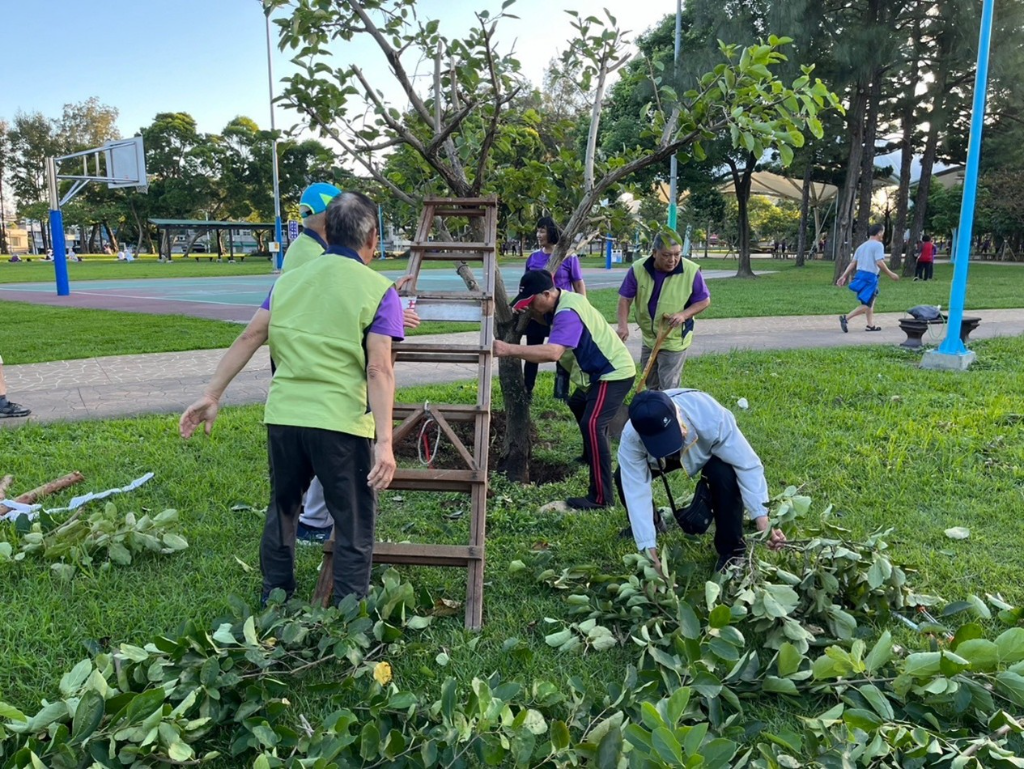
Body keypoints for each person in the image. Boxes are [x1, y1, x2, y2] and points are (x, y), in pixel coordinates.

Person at [180, 192, 403, 605]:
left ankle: (275, 596)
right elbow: (379, 369)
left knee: (283, 508)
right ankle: (348, 616)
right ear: (372, 238)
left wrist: (212, 394)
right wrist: (385, 443)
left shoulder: (289, 281)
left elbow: (251, 336)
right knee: (353, 521)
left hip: (284, 418)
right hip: (340, 423)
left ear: (327, 231)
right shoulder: (379, 290)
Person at [494, 270, 635, 510]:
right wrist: (528, 312)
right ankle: (591, 452)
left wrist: (508, 349)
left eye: (532, 303)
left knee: (592, 424)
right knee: (578, 403)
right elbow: (546, 320)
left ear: (547, 294)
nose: (530, 308)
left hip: (613, 373)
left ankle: (601, 498)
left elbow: (553, 352)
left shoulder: (567, 313)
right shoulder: (566, 299)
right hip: (596, 375)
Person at [616, 389, 786, 576]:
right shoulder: (631, 437)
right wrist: (652, 558)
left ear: (677, 413)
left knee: (724, 473)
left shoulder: (709, 413)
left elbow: (746, 464)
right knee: (622, 476)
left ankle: (732, 551)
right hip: (656, 460)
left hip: (707, 450)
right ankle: (655, 525)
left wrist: (763, 520)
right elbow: (636, 493)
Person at [616, 234, 710, 391]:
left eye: (677, 254)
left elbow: (704, 301)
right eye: (666, 255)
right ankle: (654, 410)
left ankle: (670, 412)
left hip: (673, 338)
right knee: (650, 381)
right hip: (649, 338)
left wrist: (683, 315)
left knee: (668, 385)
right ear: (654, 253)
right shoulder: (638, 268)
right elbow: (625, 299)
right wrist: (622, 326)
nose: (672, 260)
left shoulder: (691, 271)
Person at [522, 217, 586, 398]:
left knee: (562, 355)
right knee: (532, 352)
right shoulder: (533, 257)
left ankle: (560, 394)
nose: (538, 234)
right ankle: (527, 391)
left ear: (551, 232)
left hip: (561, 313)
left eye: (542, 230)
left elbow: (578, 284)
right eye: (538, 230)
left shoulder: (568, 257)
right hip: (537, 313)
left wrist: (582, 308)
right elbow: (527, 284)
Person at [836, 223, 900, 332]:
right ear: (879, 233)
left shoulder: (861, 246)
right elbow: (879, 262)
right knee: (867, 304)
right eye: (883, 232)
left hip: (860, 276)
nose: (883, 235)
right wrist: (891, 274)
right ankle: (846, 318)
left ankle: (870, 325)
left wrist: (843, 276)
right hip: (870, 277)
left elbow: (853, 263)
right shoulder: (878, 245)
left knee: (870, 301)